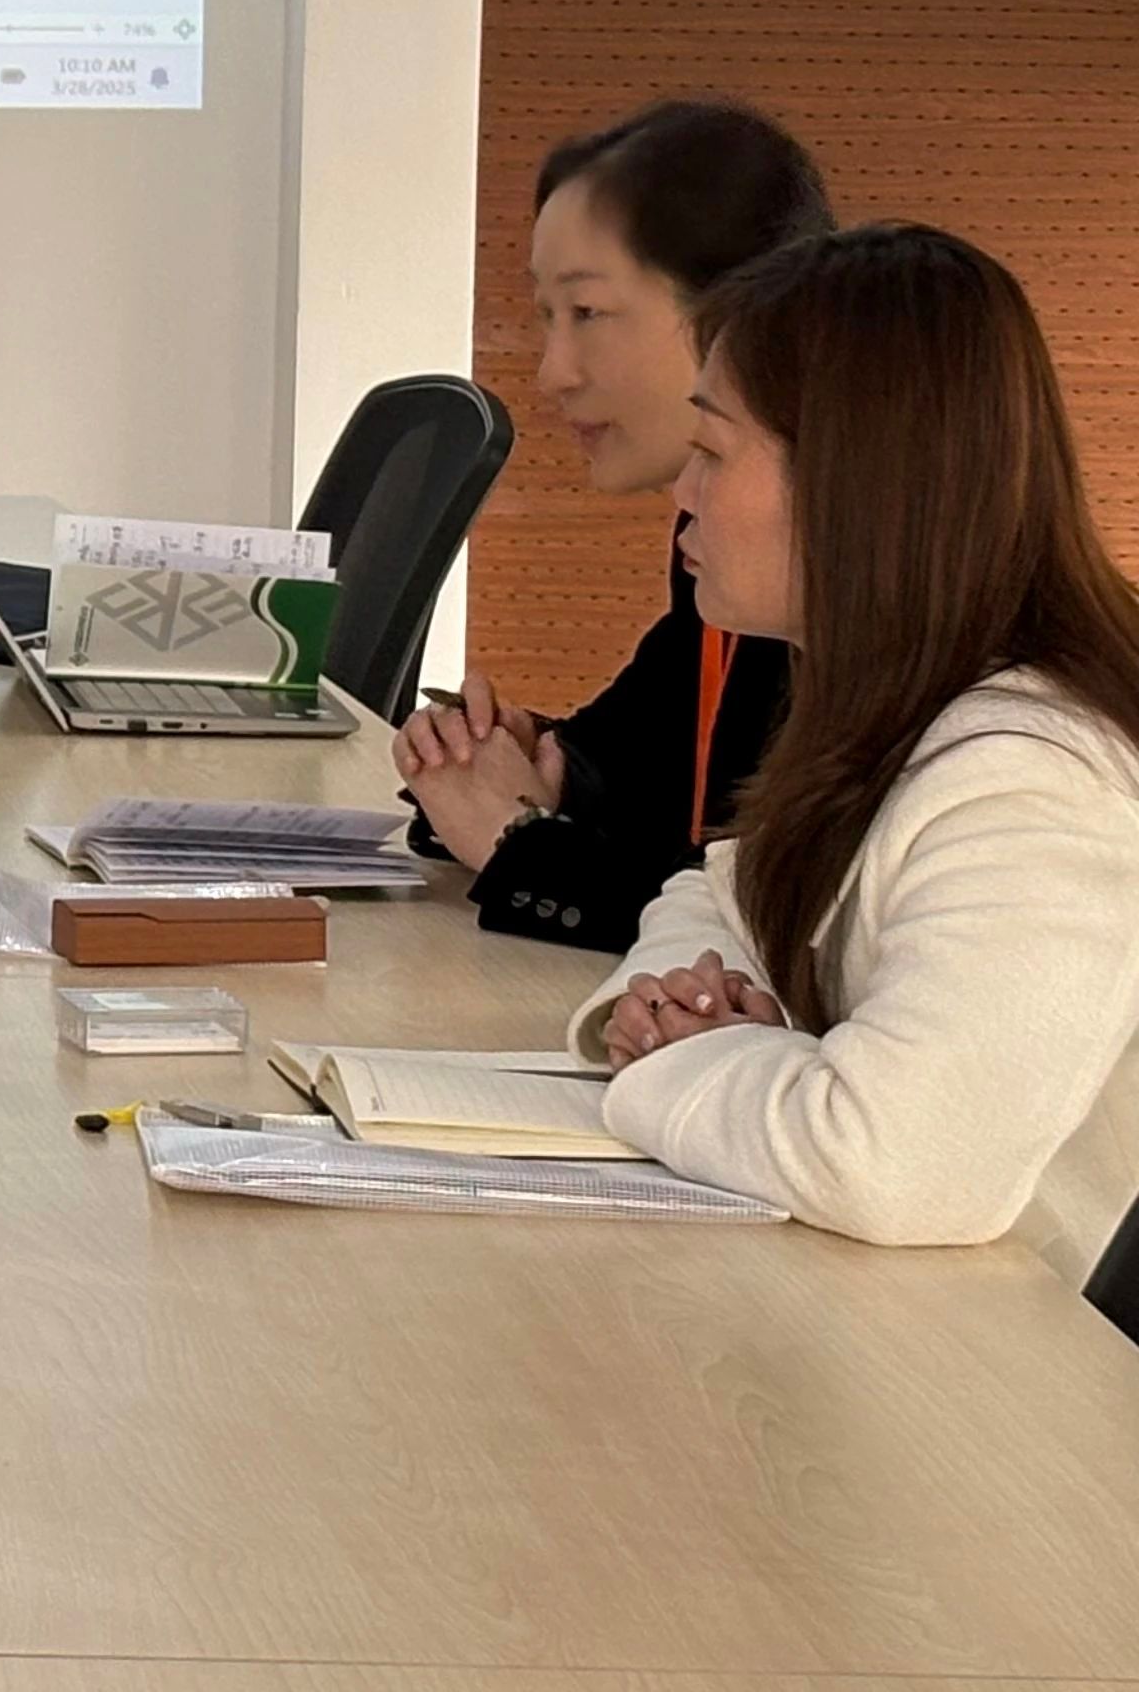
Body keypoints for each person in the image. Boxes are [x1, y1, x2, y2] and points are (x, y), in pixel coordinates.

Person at [571, 224, 1139, 1276]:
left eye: (713, 451)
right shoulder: (890, 694)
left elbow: (900, 1166)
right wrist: (675, 1011)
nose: (681, 494)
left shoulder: (1035, 778)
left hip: (1014, 1359)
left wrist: (684, 1060)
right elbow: (717, 894)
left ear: (853, 481)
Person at [397, 100, 830, 950]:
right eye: (545, 317)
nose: (552, 373)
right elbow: (641, 768)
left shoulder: (835, 578)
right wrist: (525, 769)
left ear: (746, 307)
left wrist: (518, 842)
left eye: (587, 314)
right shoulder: (712, 541)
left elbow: (765, 929)